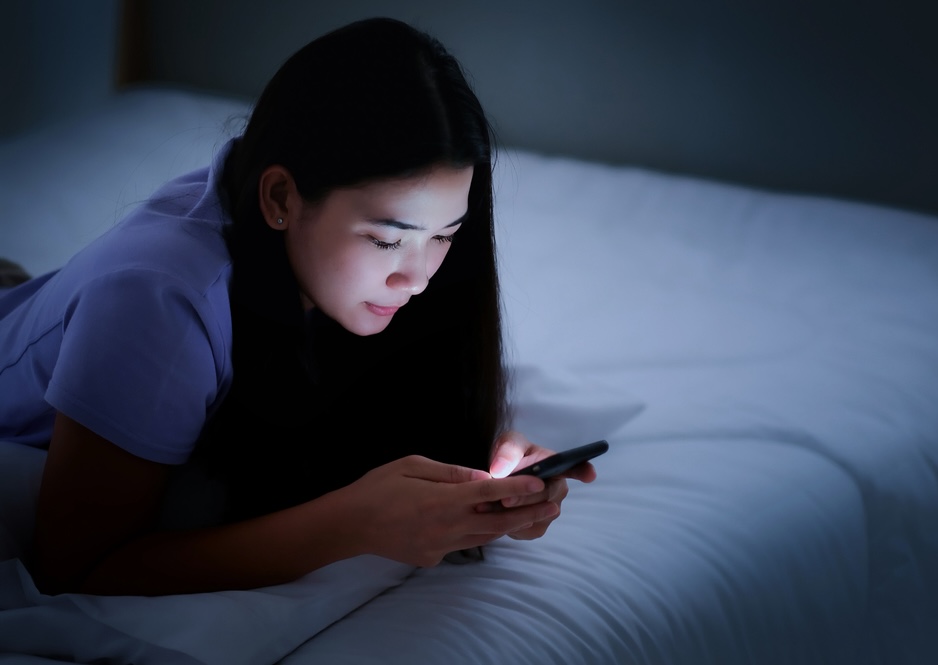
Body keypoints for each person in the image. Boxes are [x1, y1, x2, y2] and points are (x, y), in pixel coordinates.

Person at [0, 17, 595, 597]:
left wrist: (475, 474)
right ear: (280, 196)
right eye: (387, 239)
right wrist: (349, 525)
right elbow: (74, 568)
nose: (416, 279)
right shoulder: (157, 302)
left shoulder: (330, 275)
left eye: (444, 235)